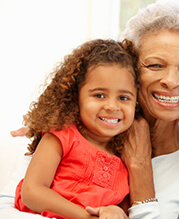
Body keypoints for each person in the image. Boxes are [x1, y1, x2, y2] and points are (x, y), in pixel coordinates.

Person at [5, 0, 179, 218]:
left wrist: (140, 171)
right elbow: (8, 208)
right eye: (155, 65)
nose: (171, 81)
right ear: (132, 71)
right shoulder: (76, 128)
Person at [14, 39, 138, 219]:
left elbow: (120, 204)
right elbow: (32, 192)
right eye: (99, 95)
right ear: (75, 97)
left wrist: (114, 210)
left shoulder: (127, 152)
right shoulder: (61, 136)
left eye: (124, 98)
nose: (112, 106)